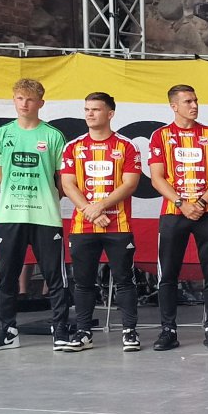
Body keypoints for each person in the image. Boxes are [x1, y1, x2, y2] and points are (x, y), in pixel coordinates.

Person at [0, 78, 70, 352]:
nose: (24, 104)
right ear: (14, 100)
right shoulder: (1, 134)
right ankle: (7, 331)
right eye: (20, 98)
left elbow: (62, 180)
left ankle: (61, 331)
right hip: (10, 216)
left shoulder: (53, 136)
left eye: (30, 99)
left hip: (45, 217)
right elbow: (0, 176)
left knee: (55, 277)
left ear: (41, 103)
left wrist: (45, 197)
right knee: (6, 277)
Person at [56, 93, 143, 352]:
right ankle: (83, 332)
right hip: (83, 226)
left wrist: (99, 206)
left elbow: (130, 184)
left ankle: (129, 331)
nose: (90, 114)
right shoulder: (73, 146)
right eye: (87, 109)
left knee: (124, 279)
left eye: (96, 109)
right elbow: (67, 184)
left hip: (119, 225)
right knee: (83, 281)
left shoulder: (126, 146)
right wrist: (90, 210)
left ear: (110, 114)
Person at [148, 84, 208, 350]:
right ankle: (168, 331)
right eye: (188, 102)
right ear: (174, 106)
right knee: (168, 274)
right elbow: (157, 177)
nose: (194, 106)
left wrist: (202, 202)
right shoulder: (160, 136)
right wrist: (182, 203)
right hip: (174, 212)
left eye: (195, 101)